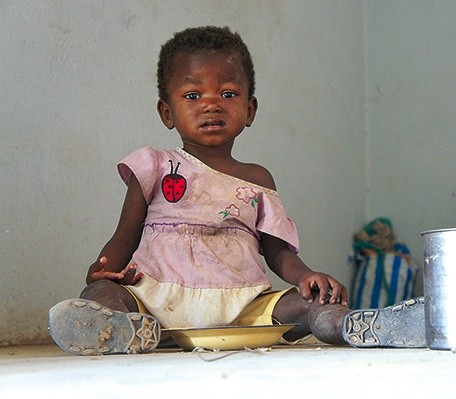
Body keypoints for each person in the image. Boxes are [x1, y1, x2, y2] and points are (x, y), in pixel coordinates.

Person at [48, 26, 424, 355]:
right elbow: (124, 235)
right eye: (193, 96)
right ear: (167, 112)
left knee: (312, 305)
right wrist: (100, 273)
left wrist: (306, 276)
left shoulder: (257, 178)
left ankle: (360, 326)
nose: (211, 104)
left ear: (249, 109)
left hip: (243, 304)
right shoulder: (154, 165)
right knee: (99, 299)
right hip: (155, 300)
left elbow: (275, 249)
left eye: (228, 94)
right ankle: (124, 332)